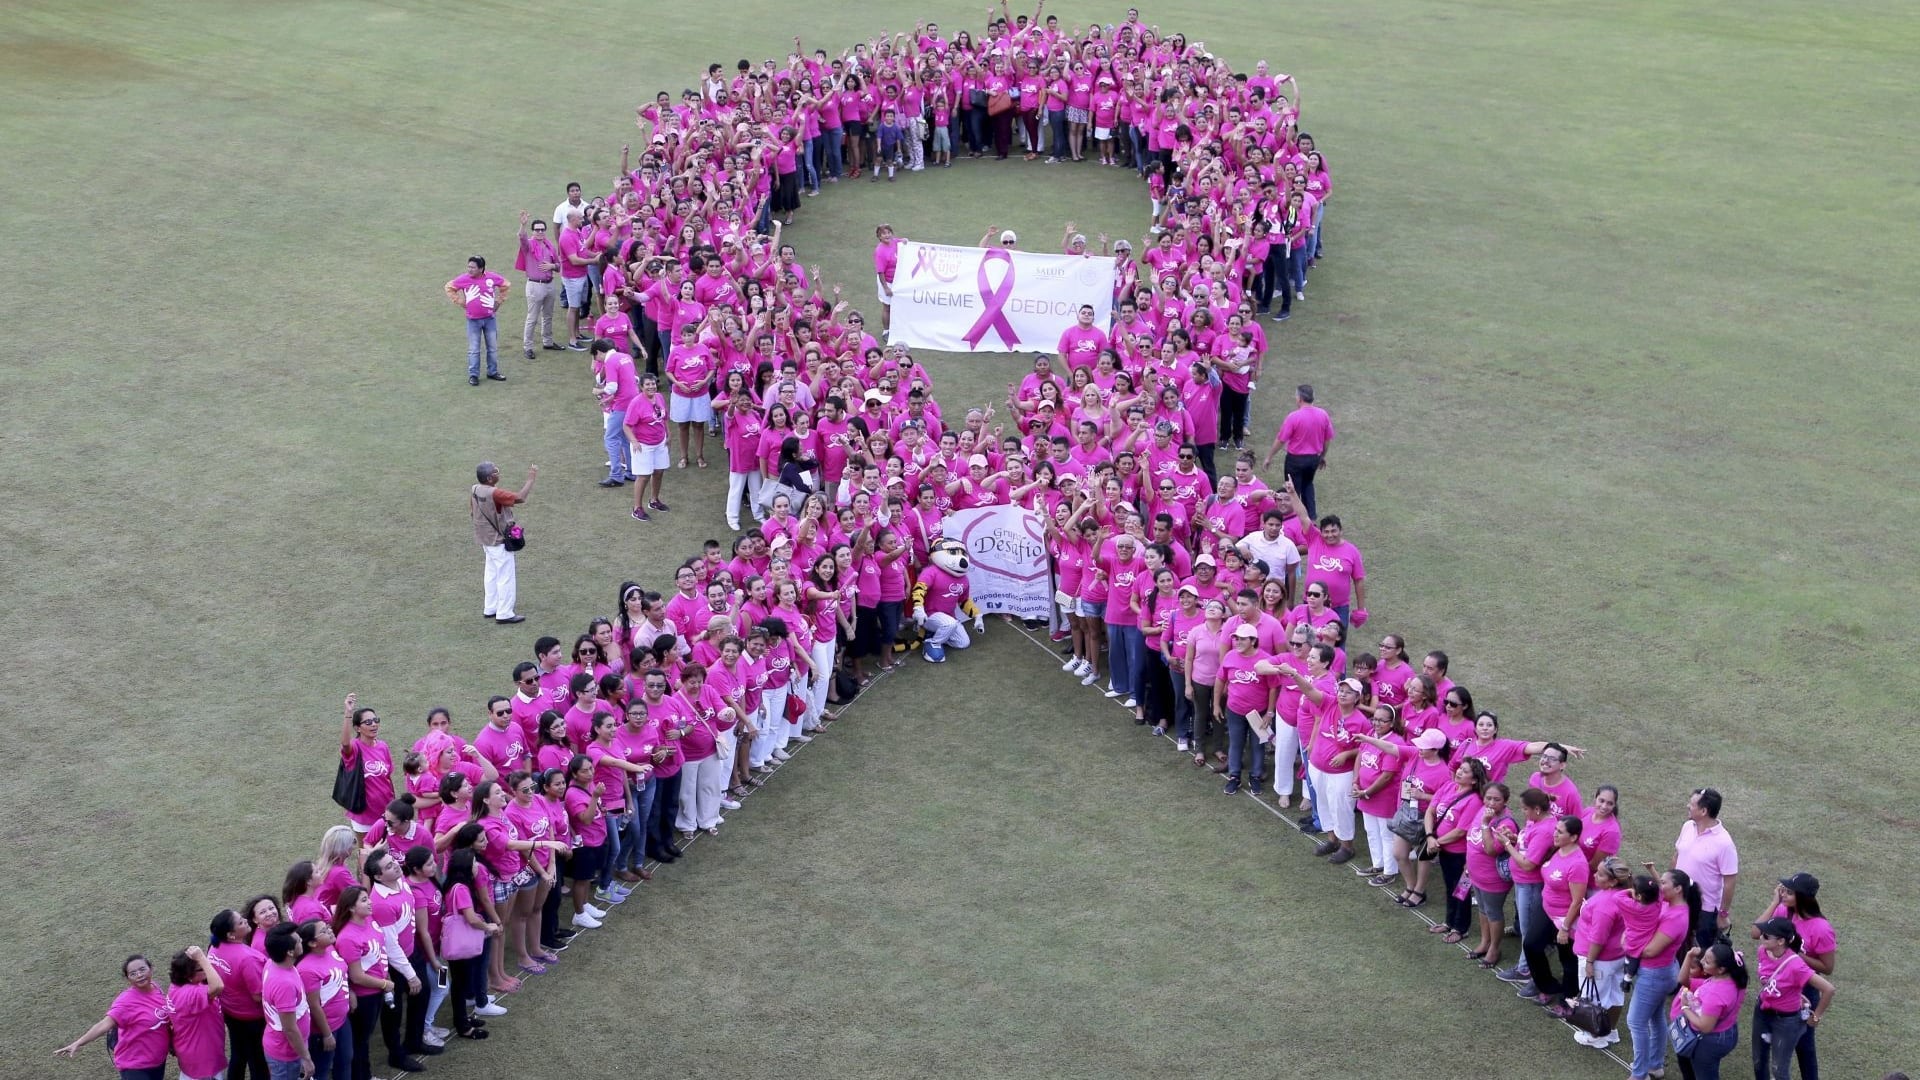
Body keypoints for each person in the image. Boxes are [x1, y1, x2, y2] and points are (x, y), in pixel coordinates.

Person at [1752, 872, 1835, 1080]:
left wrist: (1794, 956)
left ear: (1804, 897)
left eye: (1789, 892)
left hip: (1804, 987)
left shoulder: (1821, 928)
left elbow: (1827, 967)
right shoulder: (1783, 911)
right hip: (1776, 988)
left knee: (1804, 1048)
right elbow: (1756, 933)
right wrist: (1774, 903)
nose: (1784, 894)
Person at [1623, 868, 1699, 1080]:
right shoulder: (1670, 904)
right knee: (1655, 1018)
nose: (1659, 885)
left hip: (1655, 974)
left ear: (1678, 889)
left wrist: (1629, 942)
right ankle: (1655, 1065)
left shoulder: (1676, 917)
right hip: (1662, 971)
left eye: (1663, 882)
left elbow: (1649, 951)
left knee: (1636, 1022)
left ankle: (1639, 1074)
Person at [53, 954, 174, 1080]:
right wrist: (78, 1043)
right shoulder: (126, 1002)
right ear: (128, 979)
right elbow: (103, 1025)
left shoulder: (156, 988)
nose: (139, 975)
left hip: (157, 1061)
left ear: (151, 969)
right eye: (133, 973)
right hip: (134, 1065)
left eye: (142, 970)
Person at [470, 461, 537, 624]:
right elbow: (520, 498)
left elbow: (472, 512)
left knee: (491, 574)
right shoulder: (495, 493)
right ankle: (505, 613)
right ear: (489, 478)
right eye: (496, 472)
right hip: (499, 541)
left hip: (485, 539)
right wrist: (531, 479)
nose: (498, 473)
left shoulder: (474, 489)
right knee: (505, 576)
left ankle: (490, 607)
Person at [1671, 940, 1748, 1080]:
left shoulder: (1716, 993)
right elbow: (1683, 979)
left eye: (1707, 962)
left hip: (1709, 1041)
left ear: (1721, 969)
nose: (1701, 962)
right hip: (1727, 1032)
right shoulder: (1733, 979)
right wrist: (1689, 956)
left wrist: (1685, 1007)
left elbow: (1705, 1027)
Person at [1675, 786, 1739, 947]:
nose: (1687, 806)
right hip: (1678, 901)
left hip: (1704, 912)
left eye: (1692, 804)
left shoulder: (1724, 843)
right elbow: (1677, 856)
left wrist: (1723, 914)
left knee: (1698, 956)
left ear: (1703, 811)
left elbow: (1730, 882)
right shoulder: (1687, 826)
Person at [1263, 385, 1333, 519]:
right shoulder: (1323, 414)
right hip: (1313, 459)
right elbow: (1327, 439)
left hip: (1295, 460)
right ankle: (1311, 518)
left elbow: (1281, 440)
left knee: (1293, 491)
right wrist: (1322, 456)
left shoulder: (1294, 417)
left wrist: (1269, 457)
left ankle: (1296, 520)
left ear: (1300, 398)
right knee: (1308, 485)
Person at [445, 255, 510, 386]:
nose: (469, 270)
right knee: (474, 349)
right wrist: (460, 301)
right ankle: (473, 375)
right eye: (468, 266)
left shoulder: (491, 278)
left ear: (481, 268)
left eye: (473, 267)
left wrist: (498, 302)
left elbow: (506, 285)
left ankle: (492, 372)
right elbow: (449, 287)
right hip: (473, 321)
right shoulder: (464, 279)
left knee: (492, 347)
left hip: (489, 319)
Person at [623, 371, 671, 520]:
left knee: (659, 471)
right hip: (643, 444)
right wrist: (634, 441)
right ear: (641, 387)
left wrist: (668, 434)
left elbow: (664, 418)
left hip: (659, 442)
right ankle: (637, 508)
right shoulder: (636, 403)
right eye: (648, 384)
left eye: (653, 383)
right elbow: (626, 425)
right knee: (643, 476)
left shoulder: (660, 397)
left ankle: (654, 500)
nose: (651, 387)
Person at [514, 210, 561, 357]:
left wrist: (552, 266)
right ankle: (528, 347)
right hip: (535, 286)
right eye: (537, 230)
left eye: (542, 229)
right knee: (532, 317)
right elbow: (522, 238)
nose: (540, 232)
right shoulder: (528, 245)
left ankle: (547, 341)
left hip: (549, 284)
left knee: (548, 315)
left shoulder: (549, 246)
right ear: (533, 231)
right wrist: (523, 225)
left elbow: (558, 265)